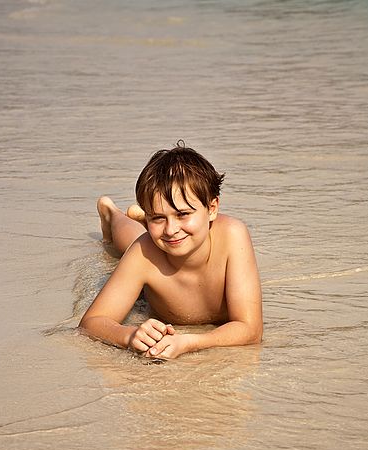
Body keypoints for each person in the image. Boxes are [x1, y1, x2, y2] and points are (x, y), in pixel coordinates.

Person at [79, 142, 263, 359]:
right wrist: (128, 335)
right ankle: (113, 214)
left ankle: (137, 215)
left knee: (149, 239)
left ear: (212, 209)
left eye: (183, 214)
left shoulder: (233, 236)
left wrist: (190, 342)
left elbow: (251, 330)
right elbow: (90, 323)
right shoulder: (144, 251)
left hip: (156, 241)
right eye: (157, 217)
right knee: (133, 242)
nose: (171, 229)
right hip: (149, 246)